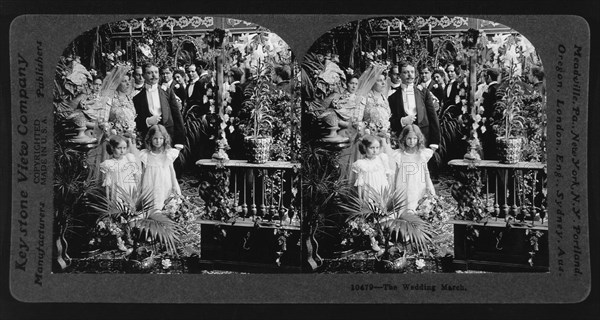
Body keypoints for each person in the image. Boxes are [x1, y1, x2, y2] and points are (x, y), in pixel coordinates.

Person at [351, 134, 393, 252]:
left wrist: (388, 190)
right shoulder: (362, 163)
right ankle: (372, 240)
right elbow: (360, 182)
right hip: (369, 190)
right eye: (372, 148)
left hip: (381, 189)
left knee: (383, 215)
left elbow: (387, 175)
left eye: (377, 148)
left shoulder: (382, 158)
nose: (375, 151)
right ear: (365, 148)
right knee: (370, 216)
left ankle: (382, 237)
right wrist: (360, 198)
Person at [388, 62, 440, 150]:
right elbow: (391, 122)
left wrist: (434, 143)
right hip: (403, 142)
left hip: (424, 139)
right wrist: (402, 121)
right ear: (400, 75)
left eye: (412, 72)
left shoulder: (424, 93)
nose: (410, 75)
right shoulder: (393, 98)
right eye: (405, 72)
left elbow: (433, 117)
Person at [133, 62, 185, 149]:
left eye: (156, 72)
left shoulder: (167, 92)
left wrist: (179, 142)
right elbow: (136, 121)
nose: (154, 75)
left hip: (168, 137)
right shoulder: (138, 98)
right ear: (144, 75)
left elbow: (177, 116)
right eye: (150, 73)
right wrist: (147, 121)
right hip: (149, 140)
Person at [387, 124, 435, 212]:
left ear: (419, 139)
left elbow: (426, 171)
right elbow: (396, 172)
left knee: (418, 205)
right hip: (403, 184)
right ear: (404, 138)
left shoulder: (422, 154)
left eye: (414, 138)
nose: (412, 141)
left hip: (418, 184)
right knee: (404, 206)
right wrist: (393, 188)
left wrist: (428, 185)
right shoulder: (399, 154)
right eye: (409, 138)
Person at [139, 125, 182, 210]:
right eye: (155, 138)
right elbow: (143, 171)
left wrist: (174, 185)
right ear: (150, 139)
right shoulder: (146, 154)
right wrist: (140, 186)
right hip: (150, 181)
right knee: (152, 201)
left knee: (165, 199)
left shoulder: (167, 154)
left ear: (165, 139)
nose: (158, 141)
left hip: (165, 181)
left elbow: (171, 170)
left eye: (161, 138)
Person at [99, 135, 141, 201]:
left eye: (124, 148)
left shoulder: (129, 159)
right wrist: (108, 198)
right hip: (117, 190)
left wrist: (136, 190)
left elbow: (135, 175)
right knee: (119, 206)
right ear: (112, 148)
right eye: (119, 148)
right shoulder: (109, 164)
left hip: (129, 187)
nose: (122, 151)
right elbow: (108, 182)